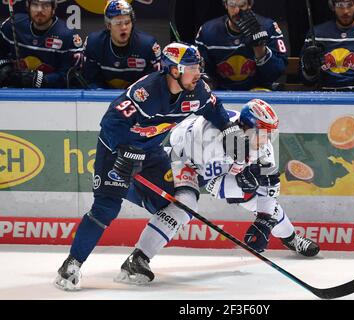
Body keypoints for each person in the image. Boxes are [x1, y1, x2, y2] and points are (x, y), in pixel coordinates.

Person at [54, 42, 246, 291]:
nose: (198, 72)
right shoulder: (145, 93)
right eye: (191, 67)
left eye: (198, 66)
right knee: (106, 208)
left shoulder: (197, 90)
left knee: (173, 205)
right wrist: (125, 154)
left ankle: (137, 261)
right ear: (174, 70)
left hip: (150, 154)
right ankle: (72, 264)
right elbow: (110, 124)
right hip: (117, 151)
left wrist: (231, 132)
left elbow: (215, 110)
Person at [114, 98, 320, 285]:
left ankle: (291, 238)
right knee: (185, 203)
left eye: (270, 133)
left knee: (255, 194)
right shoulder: (210, 137)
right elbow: (212, 184)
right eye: (263, 133)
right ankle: (139, 257)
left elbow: (270, 184)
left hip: (219, 164)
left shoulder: (260, 144)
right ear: (247, 127)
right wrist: (242, 181)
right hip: (182, 158)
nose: (267, 140)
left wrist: (264, 221)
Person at [194, 0, 288, 91]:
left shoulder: (268, 27)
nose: (237, 11)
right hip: (222, 94)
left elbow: (277, 72)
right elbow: (201, 72)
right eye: (232, 5)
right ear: (225, 5)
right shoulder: (207, 31)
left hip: (260, 92)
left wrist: (260, 49)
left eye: (242, 5)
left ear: (250, 4)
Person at [0, 0, 83, 88]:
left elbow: (70, 77)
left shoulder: (67, 36)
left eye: (46, 5)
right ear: (28, 7)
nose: (39, 10)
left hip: (51, 96)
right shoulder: (12, 25)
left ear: (53, 8)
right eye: (35, 5)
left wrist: (41, 80)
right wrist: (4, 67)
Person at [82, 0, 162, 89]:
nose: (124, 27)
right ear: (109, 25)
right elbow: (91, 80)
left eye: (127, 23)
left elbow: (153, 82)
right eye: (118, 23)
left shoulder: (148, 45)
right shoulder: (94, 43)